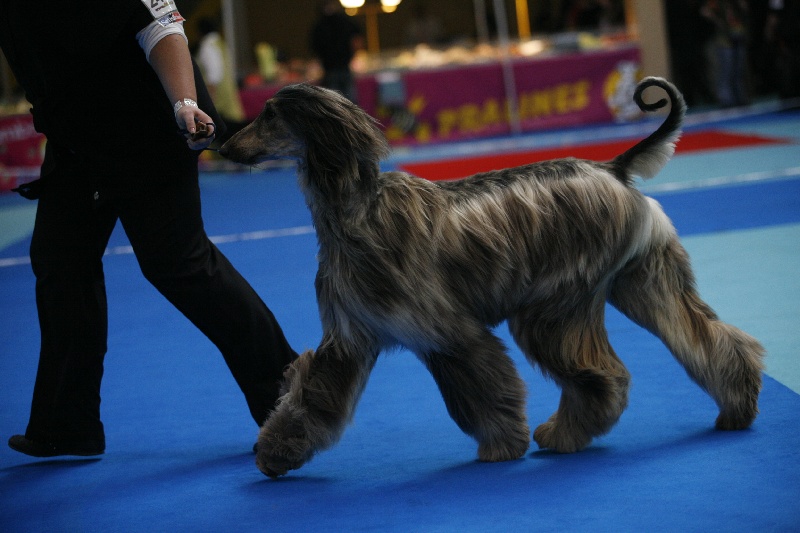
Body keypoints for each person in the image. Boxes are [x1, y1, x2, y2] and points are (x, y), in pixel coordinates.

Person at [0, 0, 298, 458]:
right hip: (77, 136)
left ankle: (292, 403)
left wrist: (185, 103)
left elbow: (161, 27)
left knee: (180, 265)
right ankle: (67, 424)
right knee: (60, 262)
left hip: (152, 125)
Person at [195, 17, 247, 143]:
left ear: (199, 32)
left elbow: (213, 76)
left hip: (219, 104)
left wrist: (208, 106)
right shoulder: (221, 44)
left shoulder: (208, 46)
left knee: (221, 139)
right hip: (230, 99)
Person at [310, 0, 363, 102]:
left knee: (334, 102)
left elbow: (314, 48)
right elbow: (357, 40)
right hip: (341, 68)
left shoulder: (319, 25)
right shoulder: (345, 21)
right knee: (349, 103)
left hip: (331, 69)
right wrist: (353, 55)